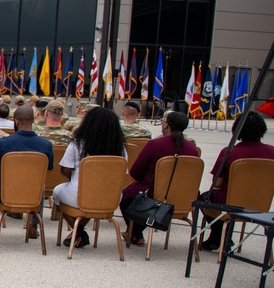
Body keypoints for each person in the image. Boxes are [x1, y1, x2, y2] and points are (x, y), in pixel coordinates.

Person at [0, 105, 53, 238]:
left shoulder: (4, 143)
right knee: (39, 184)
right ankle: (33, 225)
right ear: (33, 120)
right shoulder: (46, 145)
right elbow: (47, 171)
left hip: (4, 192)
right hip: (32, 194)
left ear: (16, 121)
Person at [52, 107, 127, 249]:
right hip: (110, 198)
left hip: (80, 194)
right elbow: (123, 174)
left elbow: (65, 170)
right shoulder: (120, 148)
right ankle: (79, 232)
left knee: (58, 191)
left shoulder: (78, 143)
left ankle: (78, 232)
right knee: (93, 200)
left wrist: (73, 178)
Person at [198, 111, 274, 251]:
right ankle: (220, 238)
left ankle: (217, 236)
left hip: (230, 203)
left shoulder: (229, 152)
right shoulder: (272, 152)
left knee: (203, 197)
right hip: (261, 204)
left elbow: (218, 183)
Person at [121, 111, 197, 246]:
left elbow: (135, 172)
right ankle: (133, 233)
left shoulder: (155, 144)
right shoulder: (192, 149)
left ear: (167, 125)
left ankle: (135, 233)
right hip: (184, 198)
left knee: (125, 197)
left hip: (154, 195)